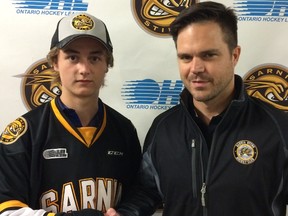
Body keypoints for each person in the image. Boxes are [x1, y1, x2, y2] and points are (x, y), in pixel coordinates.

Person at [105, 1, 288, 216]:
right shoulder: (164, 128)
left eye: (209, 55)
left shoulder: (278, 129)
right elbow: (147, 191)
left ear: (234, 55)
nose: (196, 68)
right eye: (186, 57)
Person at [0, 12, 142, 216]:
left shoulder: (124, 129)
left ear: (107, 65)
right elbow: (6, 209)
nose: (84, 69)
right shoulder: (25, 132)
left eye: (94, 58)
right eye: (73, 57)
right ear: (55, 63)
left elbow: (139, 193)